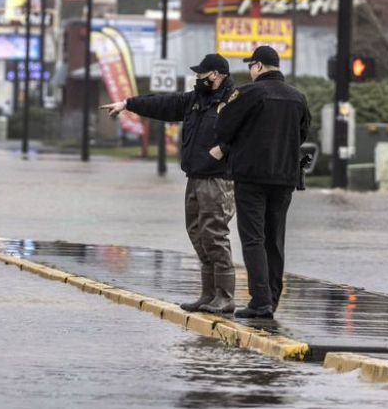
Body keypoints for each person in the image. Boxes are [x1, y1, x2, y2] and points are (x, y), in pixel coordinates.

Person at [99, 53, 237, 314]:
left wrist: (223, 149)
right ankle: (208, 294)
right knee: (198, 234)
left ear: (216, 75)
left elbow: (245, 132)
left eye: (202, 74)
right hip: (195, 177)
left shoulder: (233, 102)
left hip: (217, 179)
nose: (198, 78)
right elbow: (162, 104)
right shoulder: (195, 100)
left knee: (215, 235)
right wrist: (127, 103)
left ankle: (225, 296)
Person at [214, 46, 311, 319]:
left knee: (253, 238)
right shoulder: (297, 97)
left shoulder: (248, 93)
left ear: (257, 66)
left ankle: (260, 300)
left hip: (251, 177)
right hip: (285, 178)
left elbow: (223, 127)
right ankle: (272, 298)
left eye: (250, 66)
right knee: (274, 239)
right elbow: (301, 134)